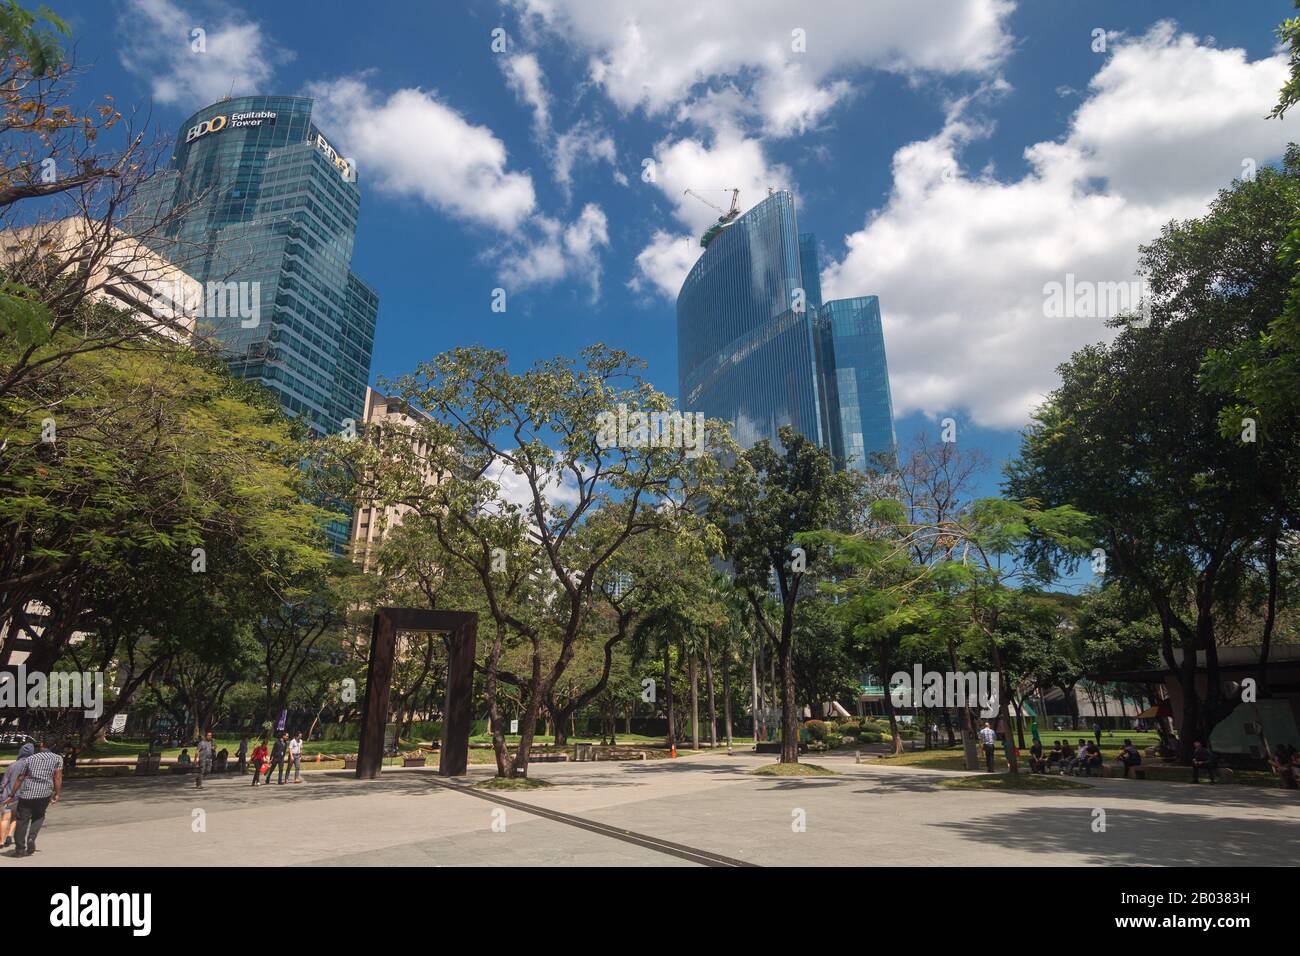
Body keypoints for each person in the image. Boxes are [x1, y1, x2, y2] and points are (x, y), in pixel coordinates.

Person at [3, 740, 63, 857]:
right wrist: (57, 793)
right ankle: (31, 837)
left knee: (21, 820)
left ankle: (20, 849)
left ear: (41, 745)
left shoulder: (30, 759)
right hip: (44, 793)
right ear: (54, 745)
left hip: (27, 794)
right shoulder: (57, 759)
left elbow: (21, 778)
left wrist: (12, 794)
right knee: (39, 816)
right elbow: (58, 777)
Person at [0, 743, 33, 848]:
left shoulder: (12, 765)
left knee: (5, 818)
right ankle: (9, 835)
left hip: (9, 795)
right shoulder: (31, 766)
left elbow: (4, 781)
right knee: (15, 817)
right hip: (22, 795)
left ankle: (1, 841)